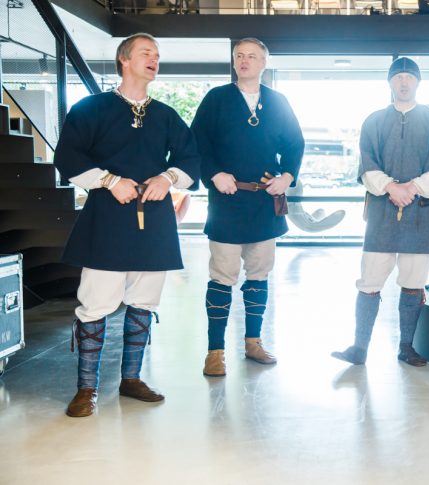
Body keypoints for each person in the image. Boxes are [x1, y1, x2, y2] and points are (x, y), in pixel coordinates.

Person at [54, 33, 200, 417]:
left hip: (155, 222)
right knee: (96, 302)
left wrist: (167, 178)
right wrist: (108, 180)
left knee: (144, 301)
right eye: (146, 52)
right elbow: (67, 157)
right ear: (124, 60)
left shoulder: (166, 115)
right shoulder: (92, 108)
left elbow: (190, 159)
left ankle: (131, 379)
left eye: (157, 54)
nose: (154, 59)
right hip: (106, 217)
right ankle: (86, 388)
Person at [192, 37, 304, 376]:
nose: (244, 60)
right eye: (239, 55)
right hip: (226, 203)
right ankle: (215, 352)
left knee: (258, 274)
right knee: (222, 276)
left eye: (252, 56)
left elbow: (295, 143)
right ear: (233, 62)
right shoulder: (216, 99)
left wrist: (287, 176)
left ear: (263, 63)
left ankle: (253, 342)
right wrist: (214, 173)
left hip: (263, 202)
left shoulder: (278, 102)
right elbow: (197, 142)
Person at [332, 57, 429, 367]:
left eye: (409, 77)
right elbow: (367, 164)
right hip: (382, 215)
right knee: (369, 281)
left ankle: (407, 347)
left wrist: (411, 189)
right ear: (389, 82)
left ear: (418, 82)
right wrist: (390, 188)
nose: (404, 82)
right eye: (398, 77)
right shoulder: (373, 121)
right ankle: (359, 348)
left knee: (413, 283)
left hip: (421, 213)